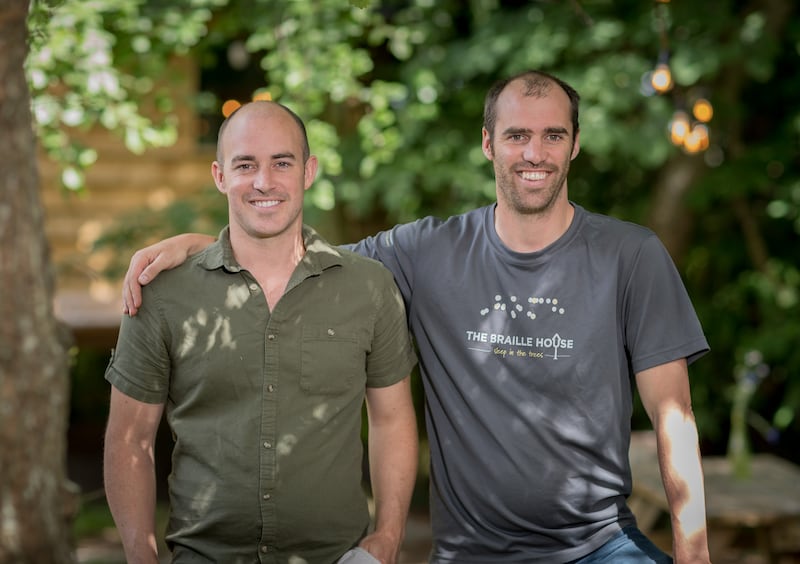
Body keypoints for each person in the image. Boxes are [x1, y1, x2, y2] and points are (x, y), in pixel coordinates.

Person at [121, 70, 712, 563]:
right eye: (517, 136)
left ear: (575, 144)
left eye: (552, 135)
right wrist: (201, 246)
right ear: (488, 144)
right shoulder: (427, 252)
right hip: (469, 551)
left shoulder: (631, 257)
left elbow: (675, 415)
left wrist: (694, 551)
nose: (534, 153)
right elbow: (291, 258)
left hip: (600, 544)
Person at [103, 101, 419, 564]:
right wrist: (140, 555)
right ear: (220, 176)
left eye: (282, 163)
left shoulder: (368, 288)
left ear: (308, 171)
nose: (264, 181)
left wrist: (389, 536)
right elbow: (130, 439)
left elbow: (392, 420)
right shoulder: (163, 294)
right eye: (245, 165)